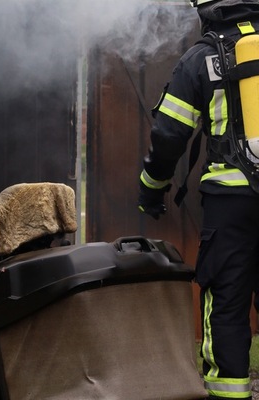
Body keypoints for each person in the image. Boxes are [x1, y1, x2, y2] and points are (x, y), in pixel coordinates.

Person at [138, 0, 259, 398]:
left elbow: (169, 136)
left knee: (226, 304)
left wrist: (152, 188)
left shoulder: (201, 59)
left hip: (230, 204)